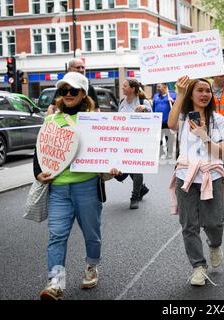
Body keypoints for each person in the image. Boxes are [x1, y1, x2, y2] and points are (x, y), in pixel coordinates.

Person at [33, 72, 121, 300]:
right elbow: (39, 152)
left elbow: (110, 150)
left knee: (92, 234)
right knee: (56, 236)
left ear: (83, 94)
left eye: (73, 91)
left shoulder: (95, 120)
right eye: (64, 91)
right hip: (58, 189)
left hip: (87, 187)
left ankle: (92, 267)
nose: (68, 95)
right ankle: (56, 282)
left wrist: (114, 166)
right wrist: (38, 173)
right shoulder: (51, 121)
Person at [168, 76, 224, 286]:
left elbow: (222, 152)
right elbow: (171, 124)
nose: (204, 94)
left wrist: (204, 134)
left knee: (214, 222)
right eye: (199, 90)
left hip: (211, 176)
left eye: (207, 91)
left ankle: (215, 245)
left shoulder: (218, 119)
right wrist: (180, 93)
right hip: (185, 177)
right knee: (189, 225)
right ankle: (198, 267)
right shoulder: (183, 116)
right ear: (191, 94)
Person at [117, 79, 151, 210]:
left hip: (139, 141)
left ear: (132, 89)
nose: (122, 88)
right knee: (122, 171)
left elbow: (153, 122)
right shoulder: (122, 102)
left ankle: (135, 197)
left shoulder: (143, 102)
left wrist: (145, 110)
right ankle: (142, 188)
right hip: (124, 141)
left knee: (136, 167)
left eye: (125, 86)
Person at [153, 83, 177, 159]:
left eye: (159, 86)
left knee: (169, 138)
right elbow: (153, 108)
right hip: (157, 122)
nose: (157, 88)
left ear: (165, 87)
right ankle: (160, 153)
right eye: (157, 87)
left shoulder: (173, 95)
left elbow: (178, 106)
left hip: (168, 122)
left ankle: (169, 153)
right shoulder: (155, 96)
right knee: (158, 139)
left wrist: (173, 101)